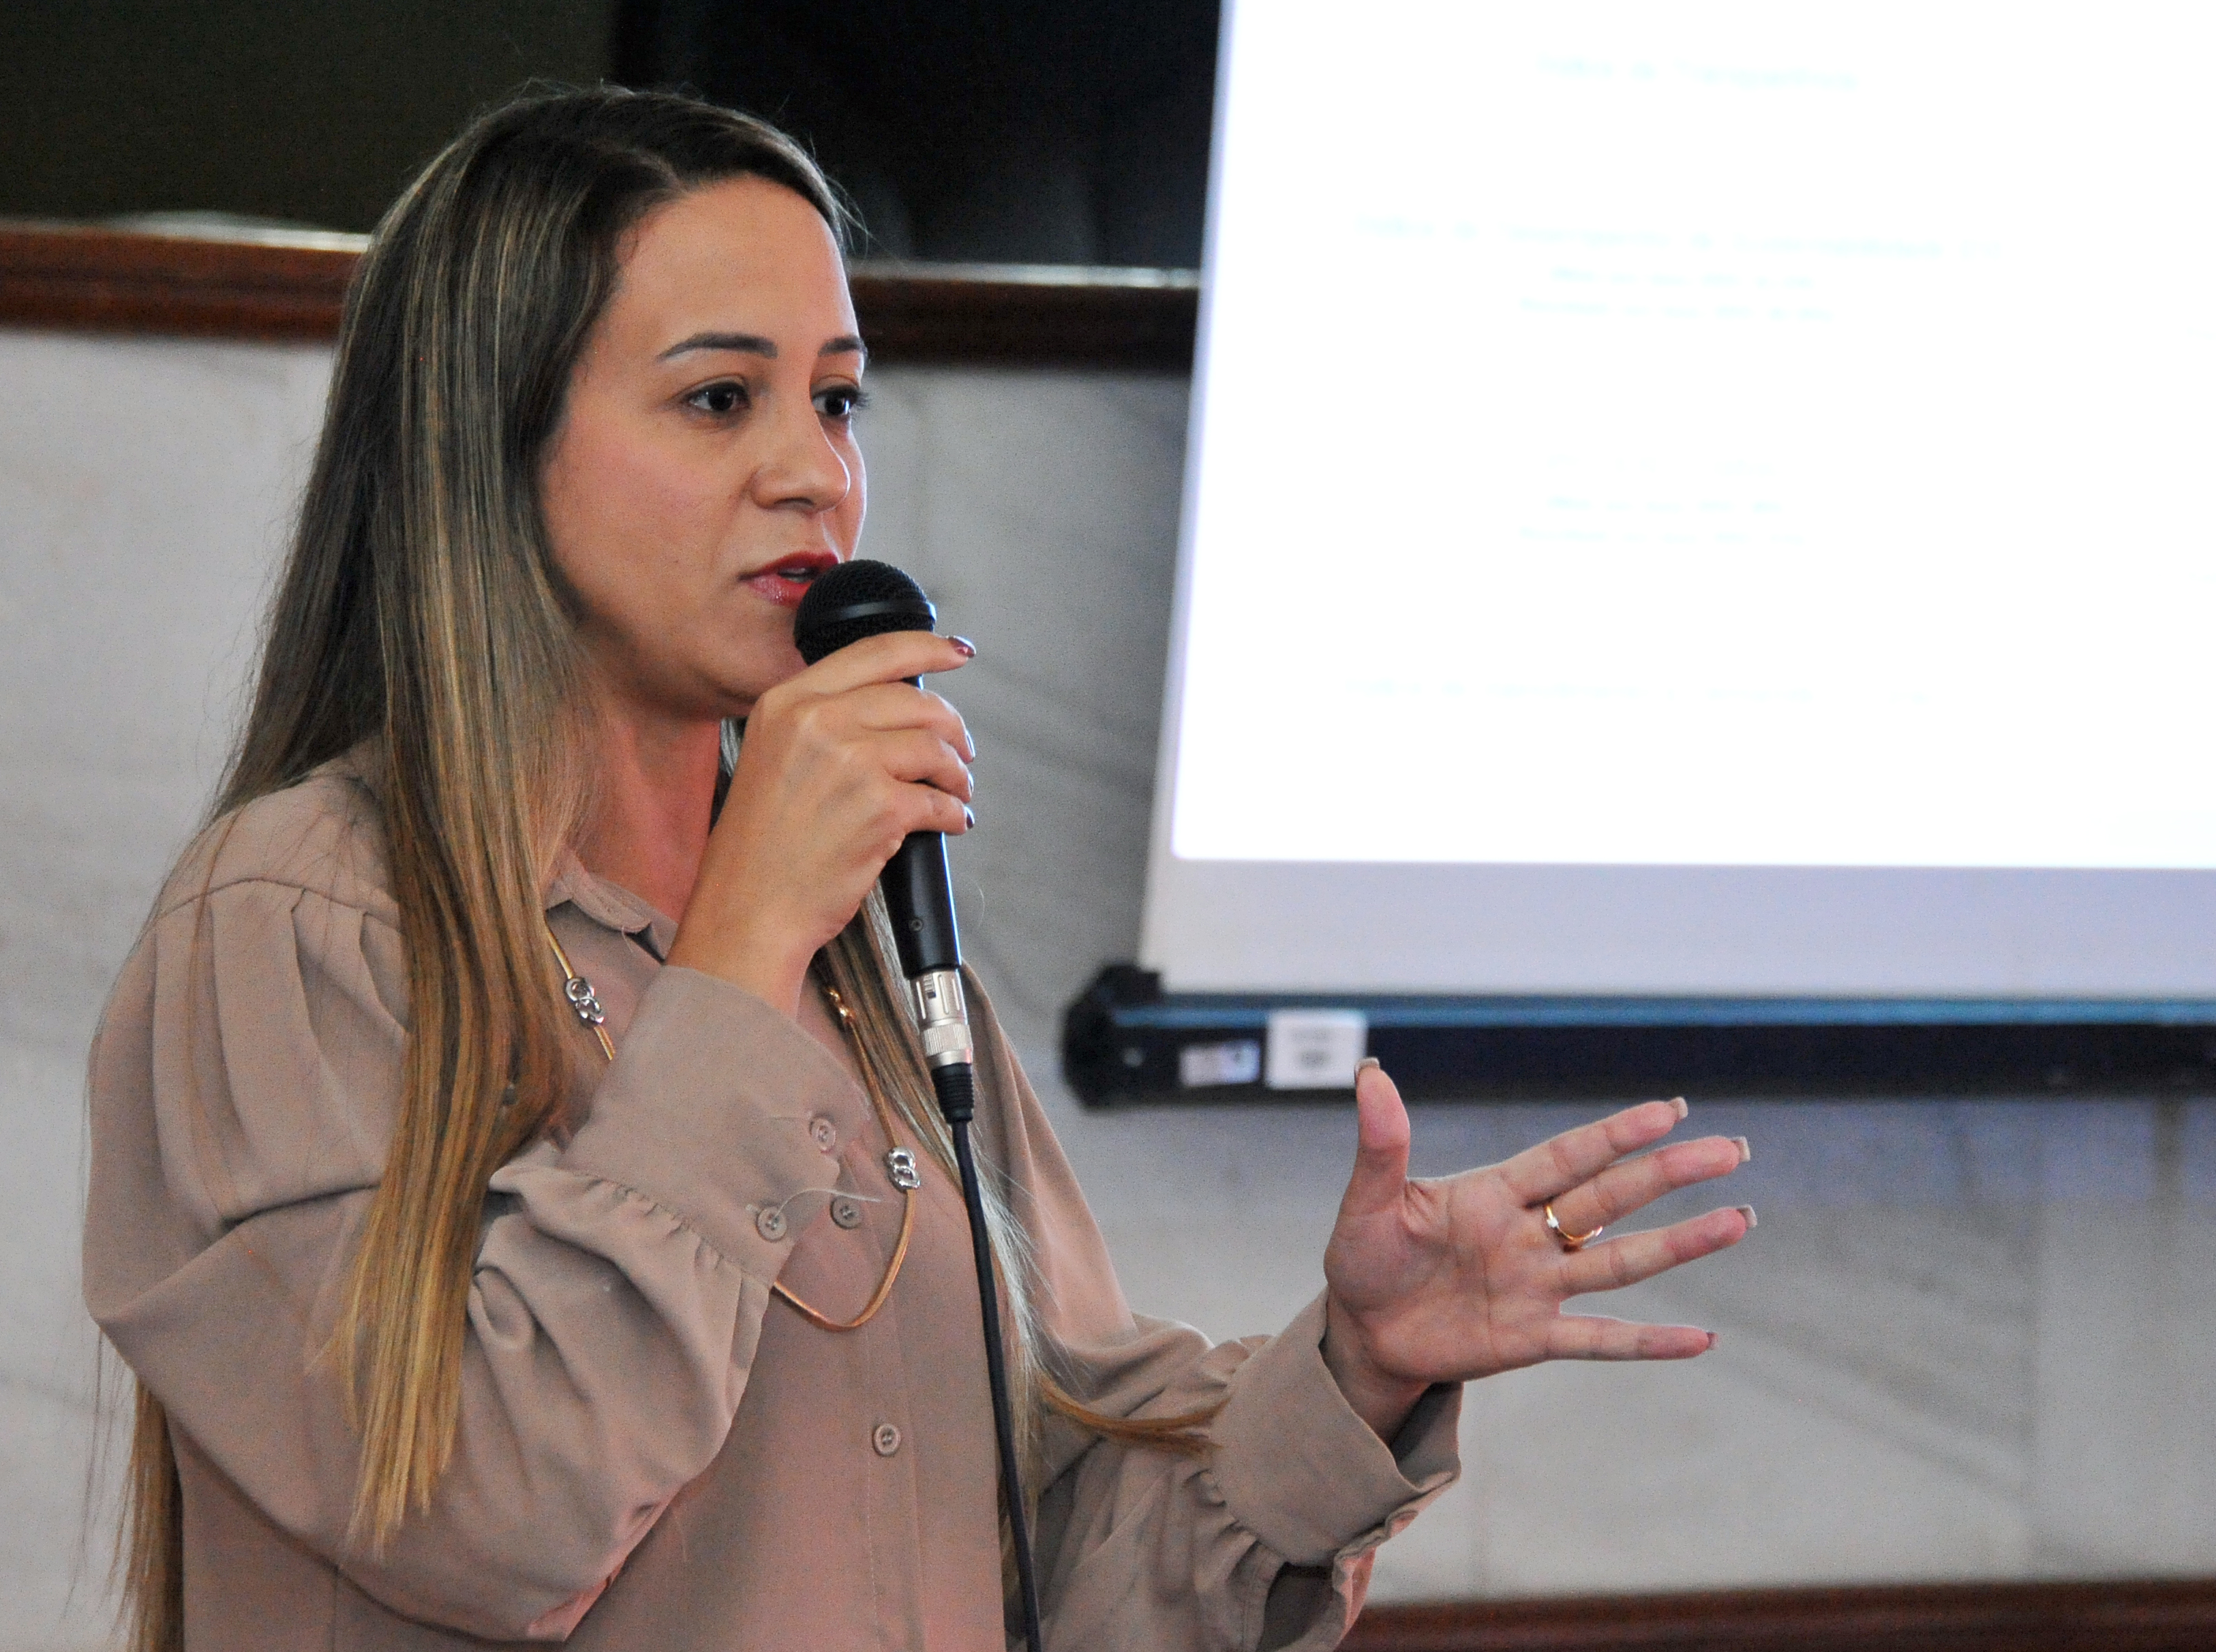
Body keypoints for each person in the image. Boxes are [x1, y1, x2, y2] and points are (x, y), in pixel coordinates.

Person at [83, 88, 1755, 1652]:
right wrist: (741, 952)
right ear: (487, 447)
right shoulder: (298, 921)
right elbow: (494, 1510)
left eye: (836, 398)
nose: (814, 471)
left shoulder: (860, 949)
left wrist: (1358, 1370)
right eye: (720, 399)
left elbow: (1045, 1540)